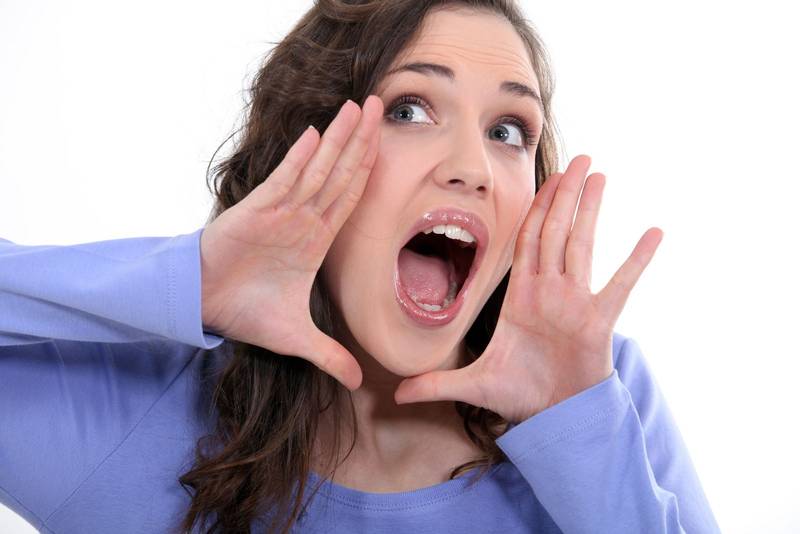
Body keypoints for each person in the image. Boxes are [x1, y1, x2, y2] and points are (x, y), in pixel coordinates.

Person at [0, 1, 721, 532]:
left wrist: (582, 440)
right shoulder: (133, 417)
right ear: (303, 153)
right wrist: (192, 281)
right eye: (410, 110)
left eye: (507, 130)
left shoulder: (597, 396)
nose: (473, 168)